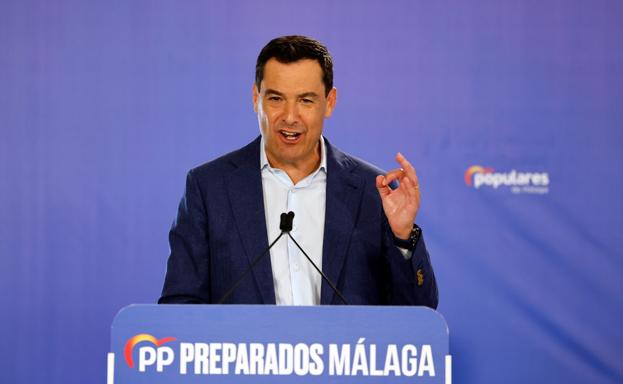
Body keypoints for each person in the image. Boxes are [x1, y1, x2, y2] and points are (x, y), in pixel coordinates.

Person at [158, 35, 438, 307]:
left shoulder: (371, 190)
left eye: (306, 100)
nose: (290, 117)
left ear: (330, 102)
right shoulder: (209, 188)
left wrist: (403, 237)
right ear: (256, 98)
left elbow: (418, 314)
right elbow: (180, 308)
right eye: (276, 99)